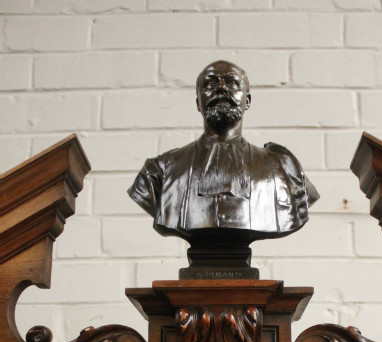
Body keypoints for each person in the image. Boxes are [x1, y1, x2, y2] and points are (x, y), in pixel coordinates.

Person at [128, 60, 319, 250]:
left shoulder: (282, 167)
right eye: (210, 84)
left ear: (248, 100)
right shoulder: (159, 170)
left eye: (232, 83)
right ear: (198, 102)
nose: (221, 89)